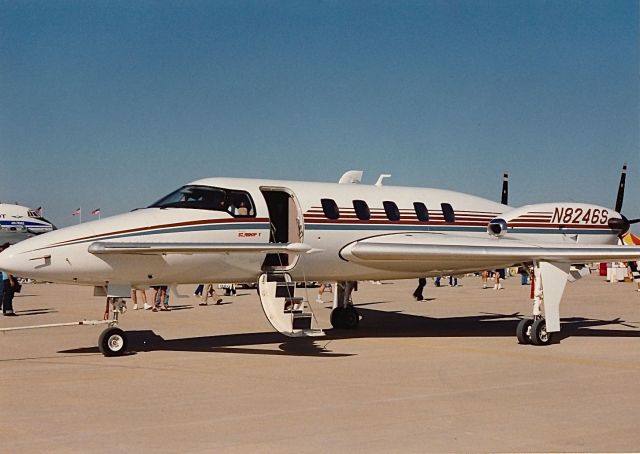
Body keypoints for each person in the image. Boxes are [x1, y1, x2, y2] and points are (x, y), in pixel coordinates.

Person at [0, 243, 17, 316]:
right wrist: (11, 280)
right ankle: (8, 310)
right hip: (8, 278)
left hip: (6, 278)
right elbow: (8, 270)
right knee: (9, 295)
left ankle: (6, 310)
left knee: (7, 295)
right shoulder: (6, 257)